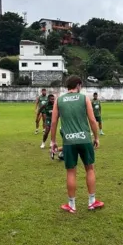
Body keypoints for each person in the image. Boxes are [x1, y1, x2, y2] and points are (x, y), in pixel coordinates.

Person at [51, 75, 104, 213]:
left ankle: (71, 205)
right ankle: (92, 202)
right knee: (90, 169)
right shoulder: (84, 98)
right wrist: (96, 137)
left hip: (68, 141)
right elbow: (92, 120)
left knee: (71, 172)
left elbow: (54, 122)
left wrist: (53, 141)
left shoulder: (59, 100)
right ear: (79, 85)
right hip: (85, 139)